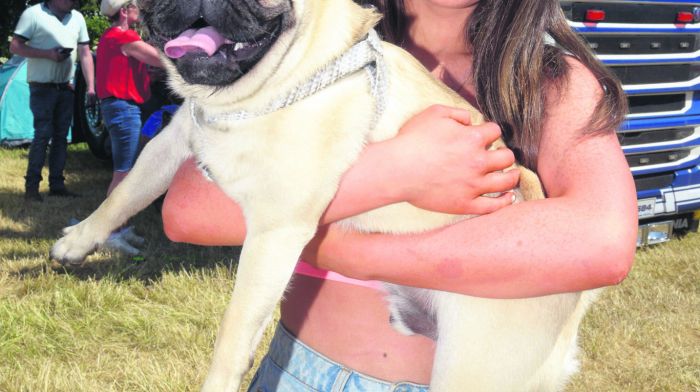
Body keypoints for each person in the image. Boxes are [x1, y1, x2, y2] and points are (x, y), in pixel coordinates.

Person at [161, 0, 638, 390]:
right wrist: (396, 170)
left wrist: (334, 245)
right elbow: (187, 210)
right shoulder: (316, 36)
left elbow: (602, 243)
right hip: (293, 371)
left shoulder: (553, 80)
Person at [95, 0, 163, 254]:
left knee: (125, 170)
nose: (140, 10)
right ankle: (108, 232)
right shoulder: (123, 35)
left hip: (122, 108)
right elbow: (158, 59)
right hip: (124, 109)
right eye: (135, 5)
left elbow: (130, 70)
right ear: (124, 11)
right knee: (122, 174)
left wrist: (147, 76)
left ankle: (119, 227)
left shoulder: (112, 37)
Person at [10, 0, 95, 202]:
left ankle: (57, 184)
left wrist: (91, 87)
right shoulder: (33, 14)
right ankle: (32, 187)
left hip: (66, 87)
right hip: (41, 87)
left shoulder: (77, 18)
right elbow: (15, 46)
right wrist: (48, 54)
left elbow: (84, 54)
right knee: (42, 135)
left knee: (61, 137)